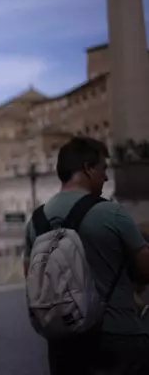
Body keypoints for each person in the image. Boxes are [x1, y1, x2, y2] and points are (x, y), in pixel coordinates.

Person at [23, 136, 149, 375]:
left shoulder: (36, 221)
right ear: (88, 169)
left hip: (63, 341)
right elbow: (145, 269)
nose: (107, 177)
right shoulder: (112, 212)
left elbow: (30, 277)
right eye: (103, 169)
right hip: (118, 334)